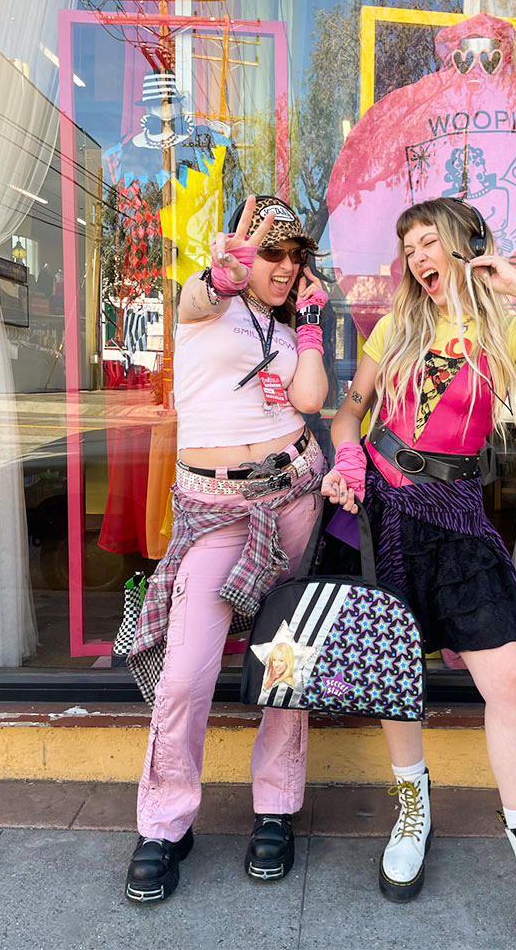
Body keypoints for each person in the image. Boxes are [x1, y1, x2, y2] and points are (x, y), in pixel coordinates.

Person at [321, 197, 516, 938]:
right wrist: (345, 458)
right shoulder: (398, 325)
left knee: (510, 679)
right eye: (409, 248)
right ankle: (413, 809)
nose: (417, 258)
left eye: (429, 241)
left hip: (456, 519)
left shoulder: (509, 332)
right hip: (379, 512)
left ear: (466, 244)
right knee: (393, 672)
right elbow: (350, 409)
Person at [124, 194, 329, 902]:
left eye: (293, 255)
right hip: (214, 512)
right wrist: (223, 274)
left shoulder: (287, 323)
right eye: (270, 251)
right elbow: (204, 289)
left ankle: (275, 809)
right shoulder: (201, 304)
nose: (283, 266)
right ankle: (164, 823)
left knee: (286, 662)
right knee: (186, 674)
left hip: (295, 495)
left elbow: (308, 401)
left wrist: (309, 325)